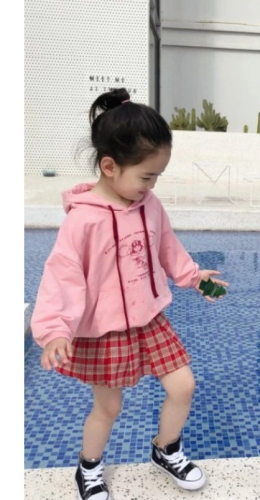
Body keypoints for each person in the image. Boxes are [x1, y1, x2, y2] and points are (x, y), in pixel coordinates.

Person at [31, 88, 229, 500]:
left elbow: (167, 247)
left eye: (156, 177)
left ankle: (166, 449)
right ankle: (88, 468)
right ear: (109, 166)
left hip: (150, 319)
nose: (151, 186)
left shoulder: (149, 205)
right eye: (145, 176)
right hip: (104, 331)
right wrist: (54, 330)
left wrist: (193, 277)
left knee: (183, 387)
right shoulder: (83, 222)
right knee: (109, 408)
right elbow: (62, 276)